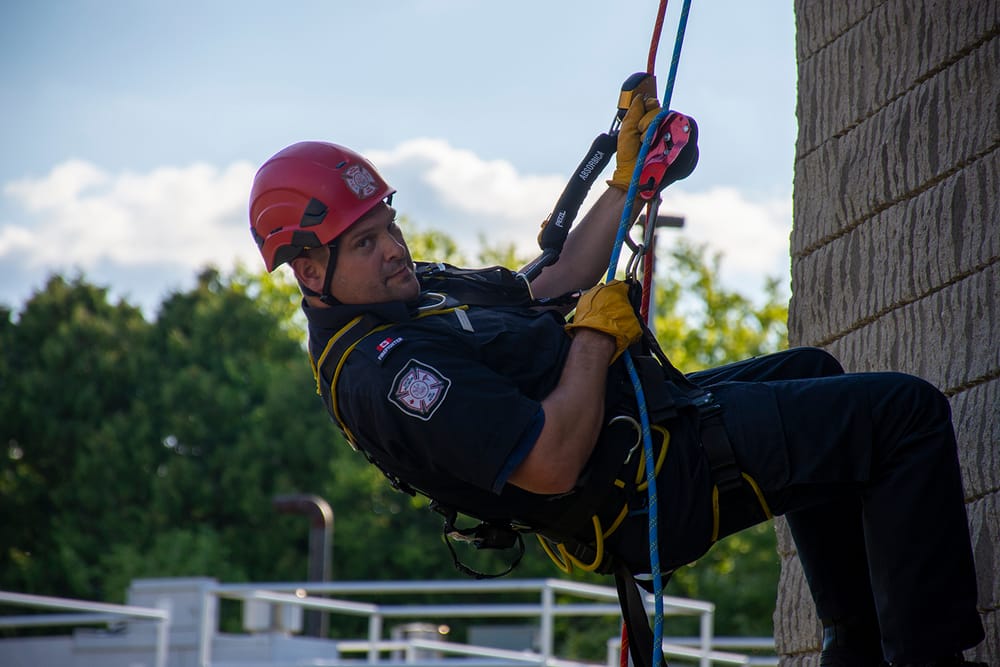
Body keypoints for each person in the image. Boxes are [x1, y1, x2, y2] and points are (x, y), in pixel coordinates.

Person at [248, 90, 987, 666]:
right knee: (906, 415)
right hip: (643, 486)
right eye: (368, 241)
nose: (394, 250)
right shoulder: (389, 376)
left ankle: (853, 646)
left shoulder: (412, 298)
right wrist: (596, 334)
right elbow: (551, 459)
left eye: (390, 225)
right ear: (311, 270)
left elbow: (561, 273)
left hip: (650, 426)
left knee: (815, 375)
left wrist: (626, 176)